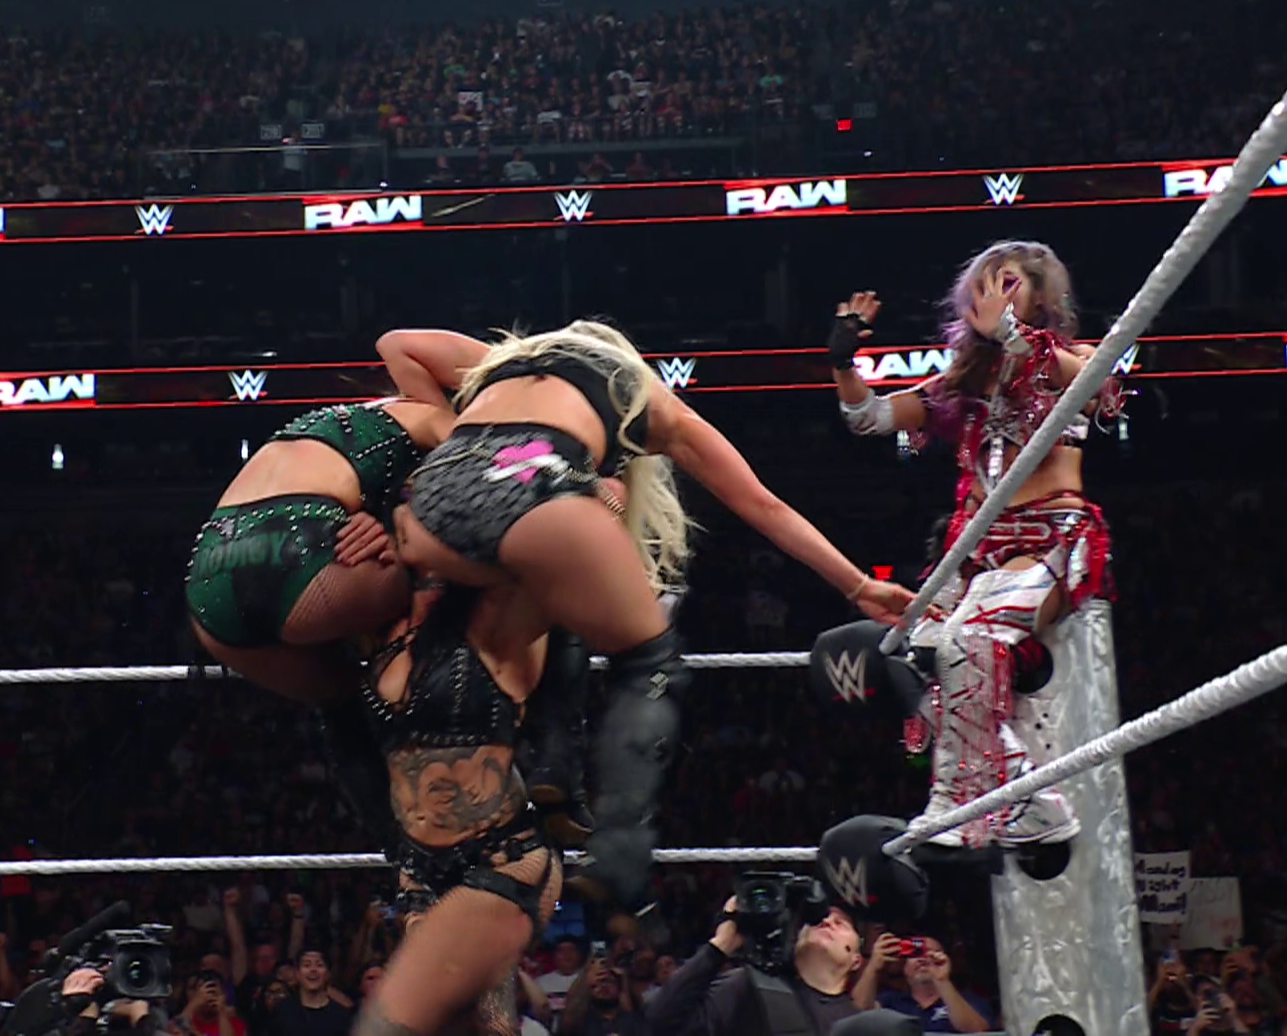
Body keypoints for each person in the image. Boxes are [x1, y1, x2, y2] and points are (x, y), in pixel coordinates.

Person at [387, 319, 921, 904]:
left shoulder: (508, 363)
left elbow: (397, 344)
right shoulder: (647, 399)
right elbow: (763, 506)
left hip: (428, 506)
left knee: (524, 606)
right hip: (531, 493)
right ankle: (616, 854)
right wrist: (857, 584)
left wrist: (454, 442)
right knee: (648, 659)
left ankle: (522, 778)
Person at [825, 241, 1124, 847]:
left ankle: (963, 803)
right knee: (912, 655)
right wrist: (843, 362)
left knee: (965, 641)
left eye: (1008, 283)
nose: (994, 295)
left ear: (1040, 294)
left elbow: (1103, 390)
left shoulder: (1073, 359)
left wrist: (1010, 333)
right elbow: (870, 418)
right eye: (985, 285)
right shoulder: (963, 382)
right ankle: (1029, 799)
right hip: (976, 554)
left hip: (1048, 537)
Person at [186, 332, 481, 836]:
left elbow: (394, 348)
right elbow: (475, 490)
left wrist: (381, 517)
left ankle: (391, 842)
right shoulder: (438, 421)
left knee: (342, 703)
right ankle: (473, 785)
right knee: (483, 566)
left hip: (209, 575)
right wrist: (393, 526)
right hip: (302, 548)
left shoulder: (335, 421)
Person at [353, 569, 579, 1036]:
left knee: (400, 1026)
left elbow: (556, 581)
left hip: (503, 856)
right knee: (462, 1022)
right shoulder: (378, 630)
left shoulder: (497, 622)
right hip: (419, 866)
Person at [643, 895, 864, 1036]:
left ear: (856, 960)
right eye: (817, 920)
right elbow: (661, 1022)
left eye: (841, 924)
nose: (826, 921)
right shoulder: (750, 986)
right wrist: (721, 945)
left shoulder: (859, 1022)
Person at [851, 935, 992, 1033]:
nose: (922, 959)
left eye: (932, 954)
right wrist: (874, 965)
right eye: (915, 953)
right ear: (904, 967)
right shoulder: (890, 1001)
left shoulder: (967, 1000)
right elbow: (856, 1013)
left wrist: (942, 980)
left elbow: (978, 1032)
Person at [271, 951, 354, 1036]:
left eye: (319, 965)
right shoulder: (282, 1010)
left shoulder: (341, 1016)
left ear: (328, 973)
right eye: (307, 965)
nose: (313, 970)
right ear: (297, 973)